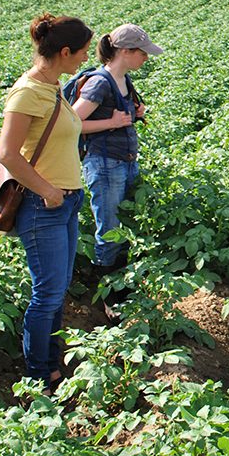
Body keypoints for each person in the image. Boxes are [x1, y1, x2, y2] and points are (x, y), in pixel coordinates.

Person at [0, 14, 92, 390]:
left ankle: (52, 366)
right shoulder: (28, 92)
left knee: (57, 289)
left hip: (65, 202)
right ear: (64, 51)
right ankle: (39, 375)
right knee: (47, 293)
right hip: (44, 206)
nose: (85, 59)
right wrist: (48, 190)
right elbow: (8, 154)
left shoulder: (52, 87)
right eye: (82, 53)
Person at [71, 24, 162, 323]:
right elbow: (70, 123)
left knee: (123, 228)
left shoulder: (124, 79)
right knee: (109, 231)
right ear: (125, 52)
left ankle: (124, 288)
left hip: (124, 161)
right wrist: (110, 123)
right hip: (105, 164)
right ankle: (111, 298)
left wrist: (134, 113)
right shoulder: (100, 82)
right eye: (142, 53)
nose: (146, 58)